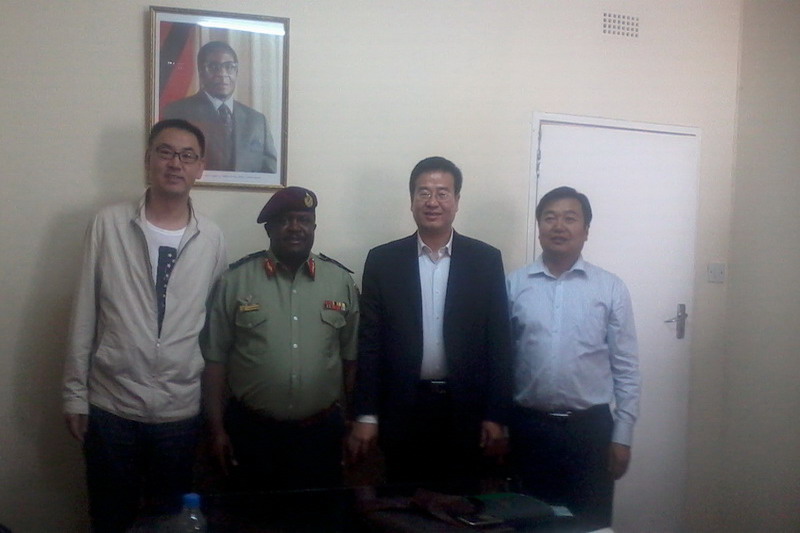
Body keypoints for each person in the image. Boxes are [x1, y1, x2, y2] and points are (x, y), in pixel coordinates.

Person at [62, 119, 227, 532]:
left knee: (168, 523)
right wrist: (74, 394)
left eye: (187, 155)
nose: (175, 163)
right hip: (112, 407)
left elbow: (212, 330)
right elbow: (84, 312)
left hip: (179, 413)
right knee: (110, 520)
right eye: (165, 152)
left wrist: (213, 415)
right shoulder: (108, 224)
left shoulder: (212, 238)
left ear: (200, 167)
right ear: (148, 159)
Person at [348, 156, 512, 491]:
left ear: (456, 201)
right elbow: (370, 343)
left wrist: (496, 415)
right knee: (404, 503)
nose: (432, 201)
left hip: (465, 412)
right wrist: (365, 414)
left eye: (442, 193)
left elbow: (499, 342)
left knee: (462, 504)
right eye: (423, 192)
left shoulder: (485, 260)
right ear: (411, 201)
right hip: (402, 411)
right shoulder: (383, 260)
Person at [201, 187, 359, 491]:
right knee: (252, 514)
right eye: (285, 220)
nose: (295, 227)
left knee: (318, 515)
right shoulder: (235, 281)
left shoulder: (340, 282)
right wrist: (216, 430)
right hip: (252, 433)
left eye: (304, 220)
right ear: (269, 229)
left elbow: (351, 360)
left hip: (321, 435)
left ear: (314, 227)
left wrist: (353, 422)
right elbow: (215, 361)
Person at [506, 186, 641, 529]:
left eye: (570, 218)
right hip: (529, 429)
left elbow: (626, 368)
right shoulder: (514, 285)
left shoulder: (610, 288)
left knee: (589, 524)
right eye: (549, 217)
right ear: (539, 226)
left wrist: (622, 435)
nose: (559, 226)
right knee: (530, 523)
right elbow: (501, 362)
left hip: (590, 432)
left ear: (586, 229)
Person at [162, 40, 278, 174]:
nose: (223, 74)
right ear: (201, 72)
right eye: (213, 67)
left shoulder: (257, 121)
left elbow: (270, 172)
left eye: (229, 67)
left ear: (236, 71)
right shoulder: (177, 112)